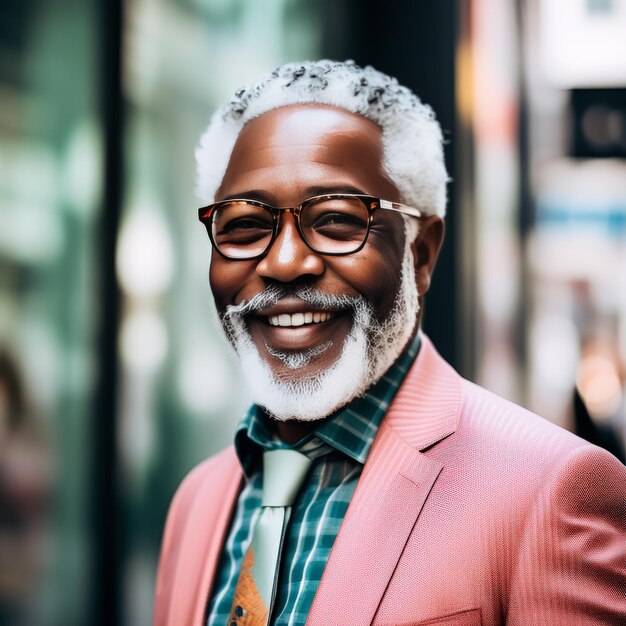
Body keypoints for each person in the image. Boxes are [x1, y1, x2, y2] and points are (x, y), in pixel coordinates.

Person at [153, 60, 626, 626]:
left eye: (336, 220)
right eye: (245, 226)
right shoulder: (196, 501)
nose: (283, 263)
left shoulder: (552, 492)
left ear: (420, 253)